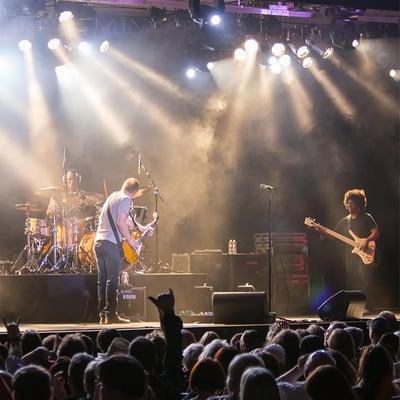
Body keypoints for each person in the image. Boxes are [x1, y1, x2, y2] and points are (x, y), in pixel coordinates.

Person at [95, 177, 154, 324]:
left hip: (98, 243)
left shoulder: (114, 196)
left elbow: (125, 219)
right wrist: (132, 241)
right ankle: (112, 315)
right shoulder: (126, 200)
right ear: (134, 192)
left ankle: (103, 315)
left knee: (102, 281)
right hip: (110, 243)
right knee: (112, 280)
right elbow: (121, 223)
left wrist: (141, 228)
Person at [335, 188, 380, 296]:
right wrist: (321, 230)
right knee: (352, 279)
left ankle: (366, 304)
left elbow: (376, 233)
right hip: (350, 254)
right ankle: (355, 305)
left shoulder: (366, 217)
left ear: (359, 204)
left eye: (352, 203)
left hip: (365, 252)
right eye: (348, 203)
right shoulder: (345, 221)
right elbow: (333, 234)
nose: (349, 205)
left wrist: (366, 240)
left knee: (364, 278)